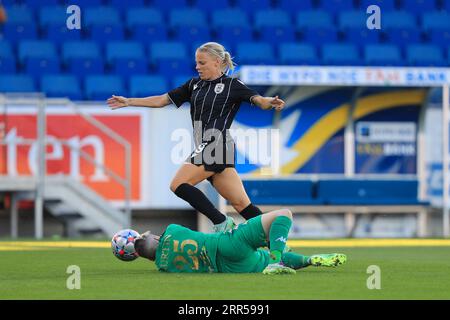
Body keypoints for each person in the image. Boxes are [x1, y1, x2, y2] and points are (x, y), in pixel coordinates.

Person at [107, 42, 286, 233]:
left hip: (216, 142)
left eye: (202, 63)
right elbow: (162, 99)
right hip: (213, 148)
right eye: (196, 63)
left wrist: (269, 102)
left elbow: (259, 100)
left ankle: (221, 222)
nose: (197, 67)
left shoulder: (232, 85)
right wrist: (129, 101)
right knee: (242, 205)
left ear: (217, 62)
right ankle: (281, 249)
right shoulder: (194, 85)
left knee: (178, 184)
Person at [132, 208, 347, 274]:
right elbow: (165, 237)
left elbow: (153, 250)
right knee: (283, 215)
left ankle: (306, 260)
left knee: (261, 259)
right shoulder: (171, 230)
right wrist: (144, 237)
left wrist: (142, 249)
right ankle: (285, 259)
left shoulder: (163, 266)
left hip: (230, 268)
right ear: (155, 237)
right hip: (227, 243)